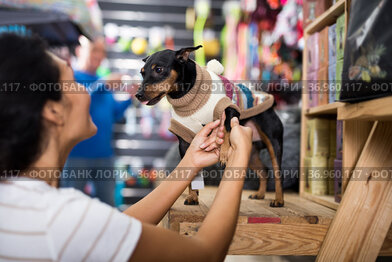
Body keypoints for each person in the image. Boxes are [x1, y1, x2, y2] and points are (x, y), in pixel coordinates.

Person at [0, 34, 253, 262]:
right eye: (74, 84)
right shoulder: (60, 221)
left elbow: (116, 227)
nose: (84, 92)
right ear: (53, 111)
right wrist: (239, 159)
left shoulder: (23, 206)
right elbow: (206, 255)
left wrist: (189, 164)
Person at [61, 36, 132, 206]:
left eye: (103, 51)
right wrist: (102, 84)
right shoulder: (70, 77)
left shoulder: (104, 82)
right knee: (70, 208)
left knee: (108, 206)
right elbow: (76, 106)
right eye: (94, 49)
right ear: (79, 50)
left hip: (104, 156)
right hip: (76, 155)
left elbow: (114, 113)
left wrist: (131, 97)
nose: (99, 55)